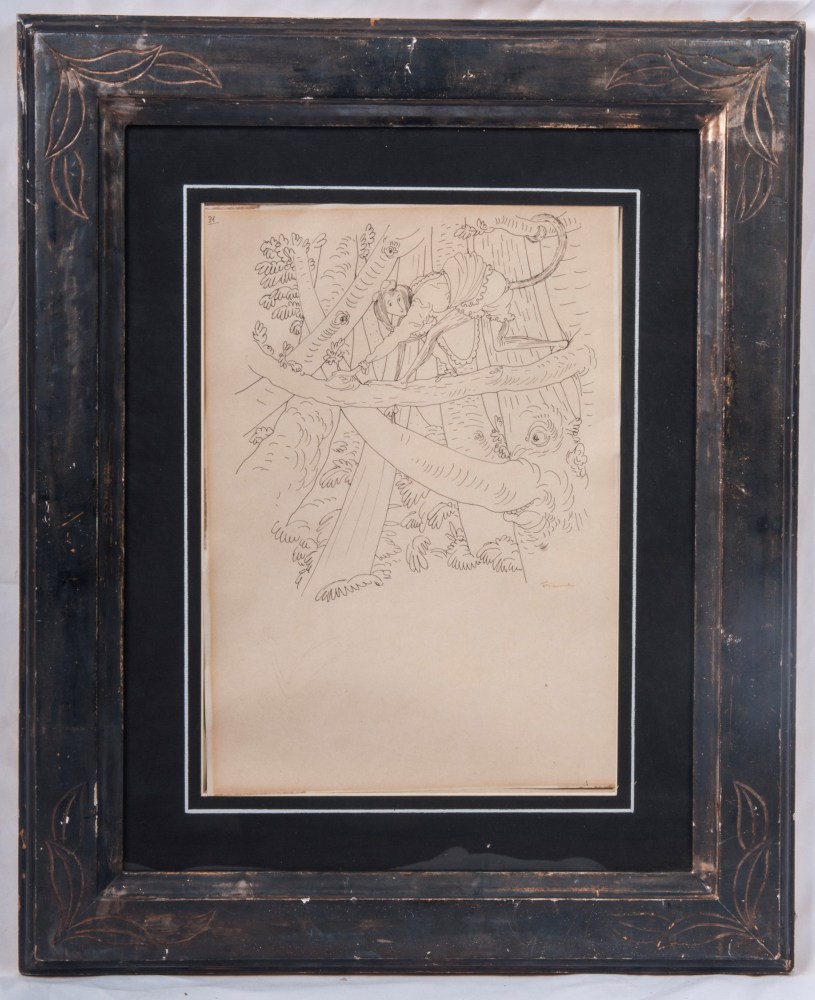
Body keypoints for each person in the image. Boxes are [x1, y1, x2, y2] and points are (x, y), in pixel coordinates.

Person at [355, 252, 517, 381]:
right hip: (484, 283)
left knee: (432, 334)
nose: (398, 306)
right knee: (433, 333)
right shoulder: (418, 288)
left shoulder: (419, 303)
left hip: (484, 289)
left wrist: (368, 360)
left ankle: (405, 380)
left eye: (397, 298)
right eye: (391, 306)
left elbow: (394, 339)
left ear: (400, 291)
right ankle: (448, 368)